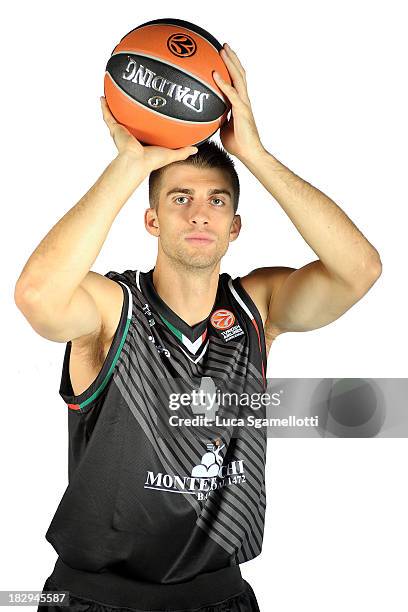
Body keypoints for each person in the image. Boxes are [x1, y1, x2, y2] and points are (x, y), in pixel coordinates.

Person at [14, 42, 381, 612]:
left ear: (235, 226)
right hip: (94, 597)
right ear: (152, 219)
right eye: (180, 197)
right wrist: (131, 164)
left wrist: (254, 154)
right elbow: (37, 295)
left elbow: (360, 270)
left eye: (216, 201)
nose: (199, 212)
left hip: (218, 596)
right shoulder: (114, 307)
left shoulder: (257, 306)